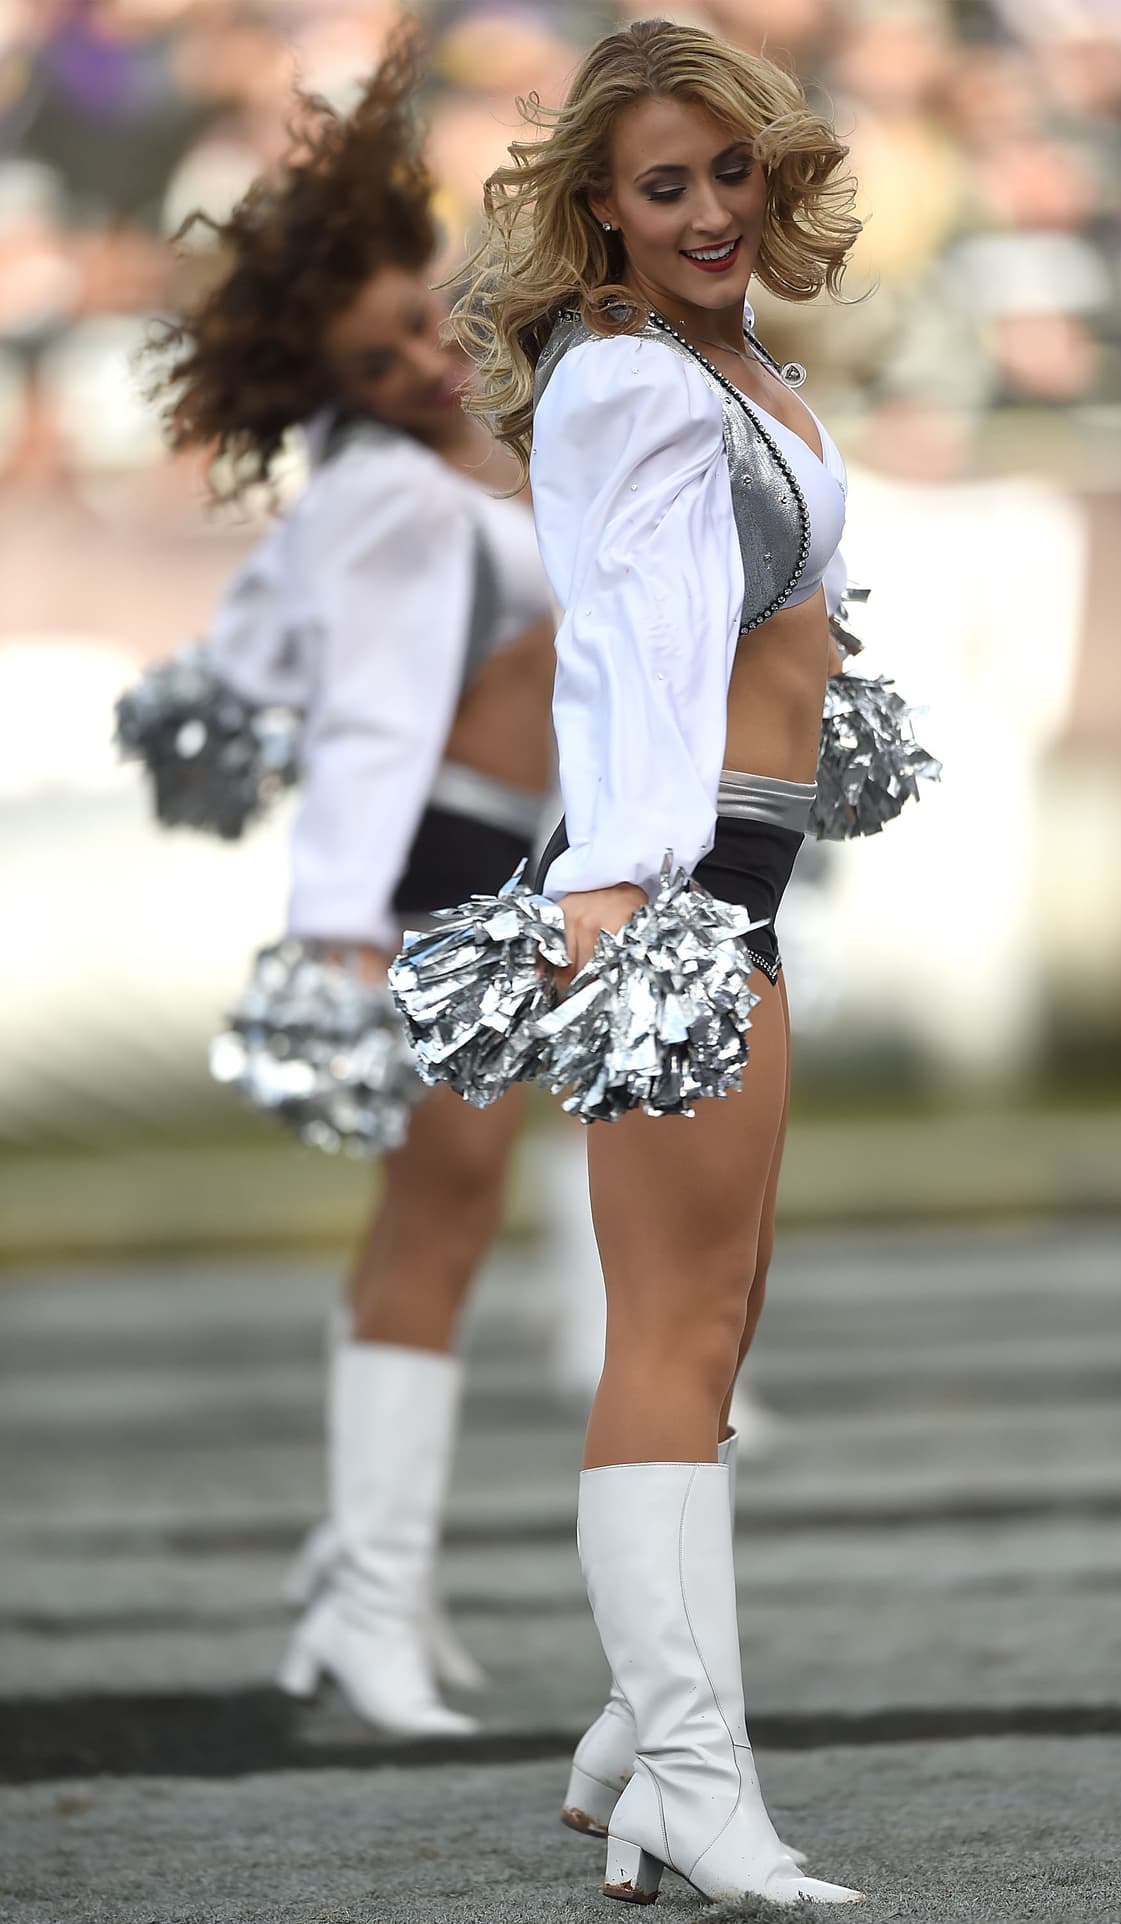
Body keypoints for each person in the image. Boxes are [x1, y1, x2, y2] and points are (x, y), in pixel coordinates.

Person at [455, 17, 867, 1903]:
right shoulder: (629, 379)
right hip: (673, 882)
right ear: (602, 221)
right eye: (662, 187)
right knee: (676, 1327)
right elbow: (623, 649)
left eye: (727, 173)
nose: (707, 211)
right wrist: (621, 895)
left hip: (735, 866)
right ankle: (695, 1781)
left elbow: (763, 620)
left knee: (728, 1316)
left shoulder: (736, 359)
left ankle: (636, 1745)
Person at [149, 33, 555, 1737]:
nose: (414, 363)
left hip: (521, 855)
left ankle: (367, 1581)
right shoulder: (392, 496)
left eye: (416, 321)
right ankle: (368, 1600)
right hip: (442, 866)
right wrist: (335, 939)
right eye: (374, 360)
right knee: (441, 1222)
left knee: (440, 1220)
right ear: (328, 387)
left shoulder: (513, 428)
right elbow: (379, 729)